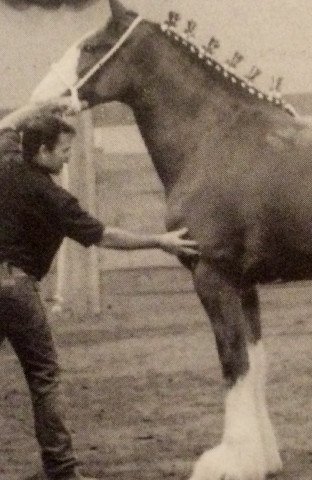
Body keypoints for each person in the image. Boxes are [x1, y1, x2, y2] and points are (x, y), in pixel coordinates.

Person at [0, 98, 199, 480]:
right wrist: (160, 241)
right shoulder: (50, 195)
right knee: (44, 378)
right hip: (16, 289)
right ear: (41, 151)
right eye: (63, 151)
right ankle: (61, 471)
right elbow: (106, 236)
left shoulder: (6, 158)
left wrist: (43, 105)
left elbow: (9, 121)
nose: (67, 158)